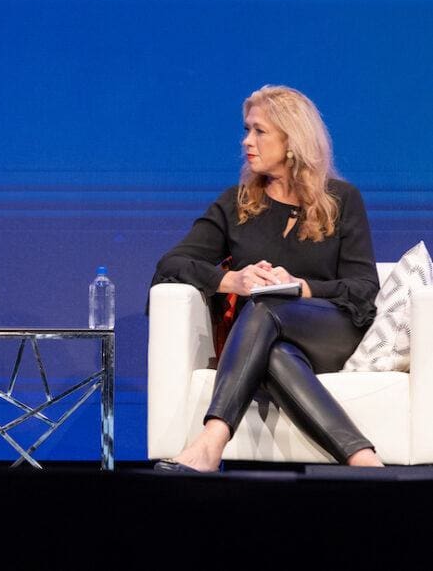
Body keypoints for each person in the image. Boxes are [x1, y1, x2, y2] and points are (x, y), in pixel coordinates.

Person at [150, 85, 384, 472]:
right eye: (246, 130)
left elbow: (363, 289)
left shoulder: (343, 200)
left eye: (259, 131)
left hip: (332, 330)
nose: (247, 142)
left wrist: (302, 287)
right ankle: (364, 459)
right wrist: (233, 281)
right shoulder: (237, 203)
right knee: (272, 346)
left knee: (266, 304)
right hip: (265, 338)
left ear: (292, 140)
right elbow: (172, 262)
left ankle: (212, 439)